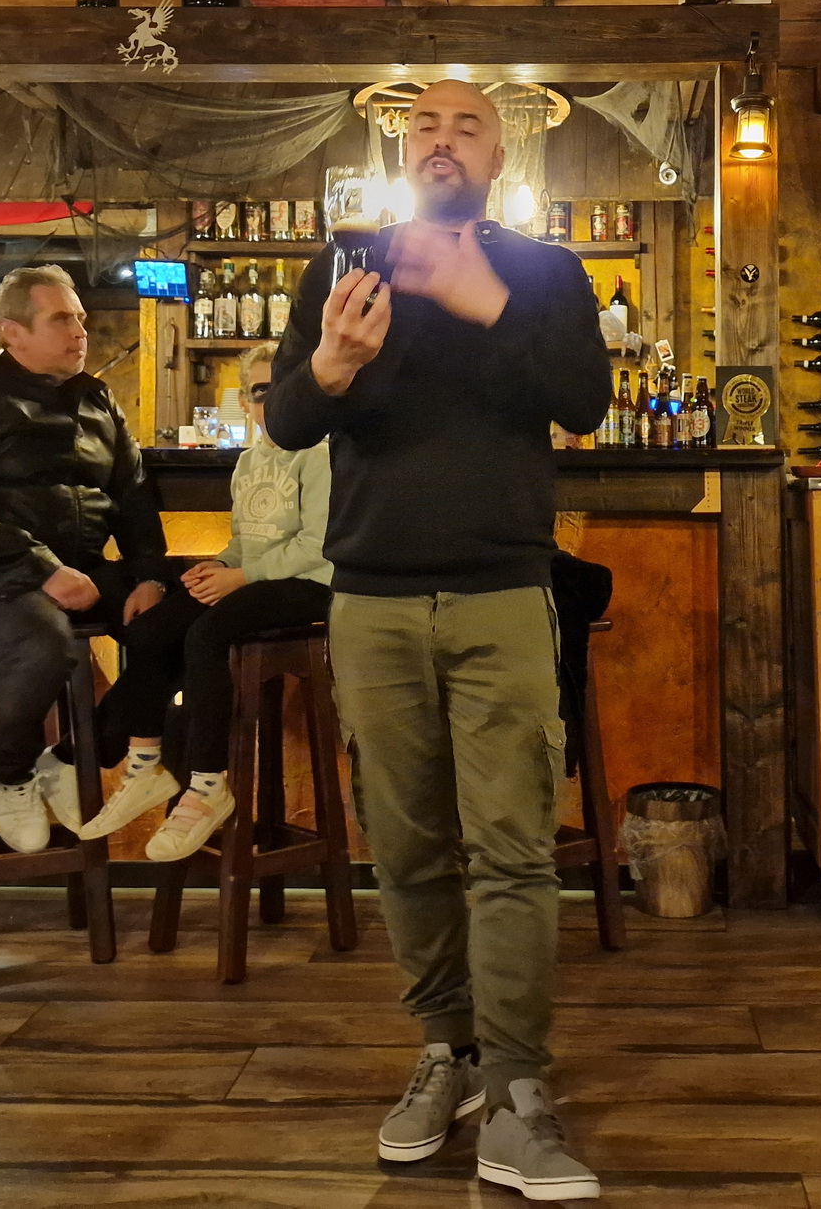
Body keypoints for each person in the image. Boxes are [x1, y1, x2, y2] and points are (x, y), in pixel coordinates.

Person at [267, 79, 611, 1200]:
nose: (443, 140)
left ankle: (516, 1090)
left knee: (512, 851)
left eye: (468, 125)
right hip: (369, 597)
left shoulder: (546, 273)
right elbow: (287, 420)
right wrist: (332, 361)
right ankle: (445, 1051)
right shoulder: (344, 266)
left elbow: (585, 401)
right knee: (406, 849)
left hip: (501, 590)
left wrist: (489, 303)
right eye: (424, 124)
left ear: (500, 155)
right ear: (400, 149)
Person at [0, 264, 187, 854]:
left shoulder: (97, 396)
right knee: (44, 642)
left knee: (186, 622)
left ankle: (68, 760)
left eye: (81, 318)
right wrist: (41, 567)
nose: (80, 331)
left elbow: (134, 494)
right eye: (62, 319)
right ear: (11, 331)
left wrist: (148, 574)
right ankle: (12, 774)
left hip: (79, 568)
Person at [75, 342, 334, 858]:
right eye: (260, 391)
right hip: (254, 579)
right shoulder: (249, 462)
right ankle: (145, 765)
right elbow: (244, 541)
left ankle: (209, 784)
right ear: (246, 400)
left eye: (283, 387)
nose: (271, 401)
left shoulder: (321, 454)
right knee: (151, 626)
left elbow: (318, 546)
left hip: (312, 586)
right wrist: (220, 566)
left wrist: (241, 577)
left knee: (206, 634)